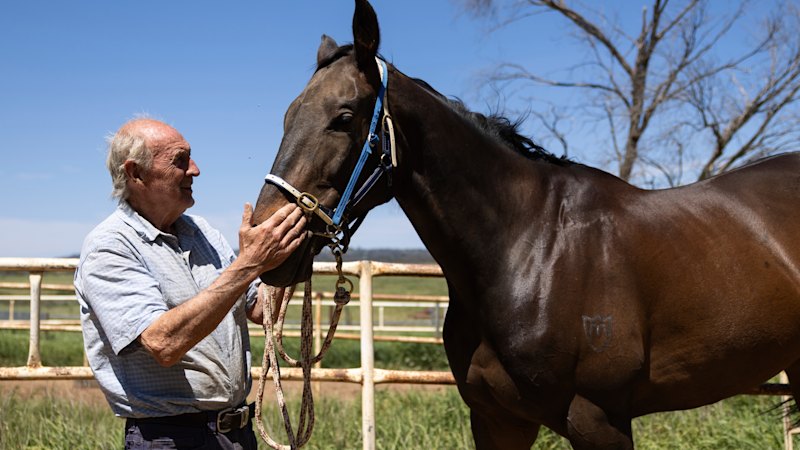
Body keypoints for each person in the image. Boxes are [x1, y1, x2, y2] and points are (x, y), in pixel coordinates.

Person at [74, 117, 306, 449]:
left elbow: (259, 309)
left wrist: (295, 248)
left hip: (236, 434)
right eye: (180, 160)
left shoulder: (202, 232)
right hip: (170, 438)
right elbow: (164, 344)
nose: (195, 170)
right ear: (135, 173)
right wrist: (250, 262)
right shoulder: (109, 246)